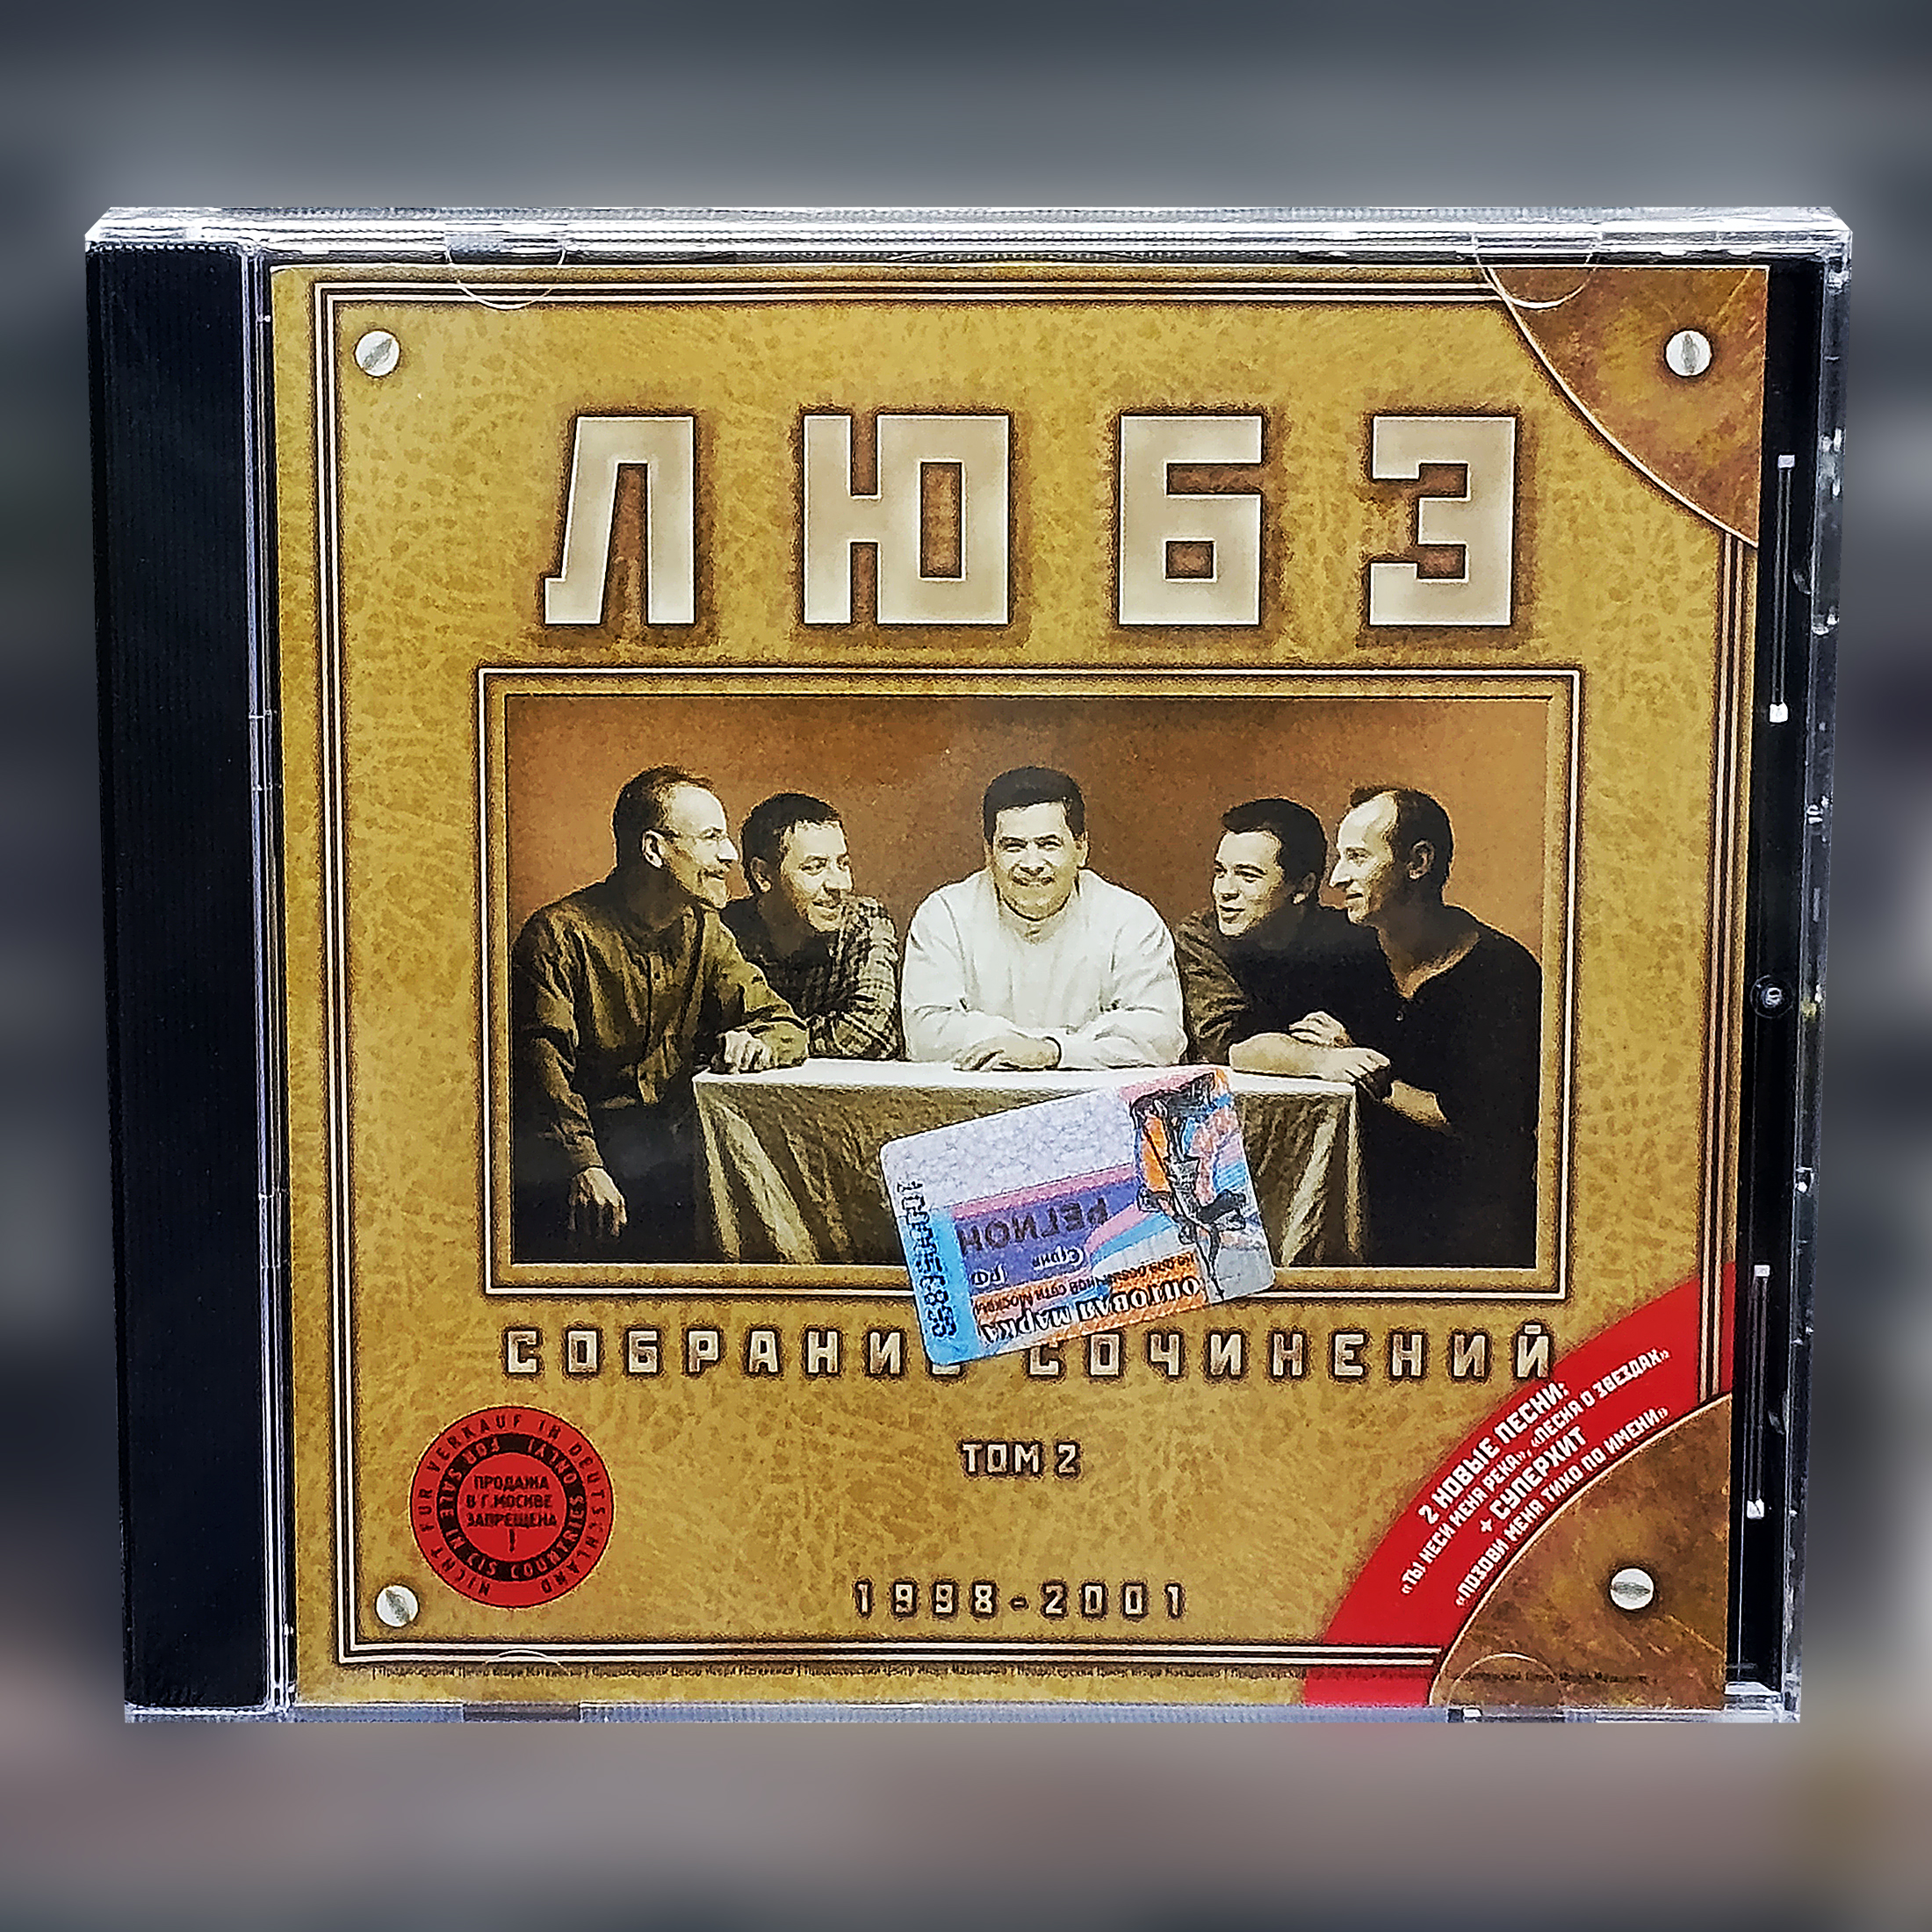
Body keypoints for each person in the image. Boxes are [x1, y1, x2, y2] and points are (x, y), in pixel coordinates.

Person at [511, 767, 807, 1261]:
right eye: (711, 838)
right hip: (576, 1173)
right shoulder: (556, 936)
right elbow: (544, 1079)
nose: (730, 855)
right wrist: (584, 1166)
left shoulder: (706, 931)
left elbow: (784, 1024)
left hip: (674, 1166)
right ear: (654, 849)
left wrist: (757, 1042)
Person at [1330, 786, 1540, 1267]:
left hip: (1470, 1234)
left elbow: (1483, 1123)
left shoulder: (1503, 973)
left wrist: (1365, 1072)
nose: (1338, 878)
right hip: (1362, 1220)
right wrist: (1317, 1058)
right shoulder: (1343, 955)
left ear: (1418, 862)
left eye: (1358, 857)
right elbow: (1247, 1046)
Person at [901, 766, 1185, 1069]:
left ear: (1081, 849)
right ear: (989, 854)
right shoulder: (945, 916)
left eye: (1048, 844)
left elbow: (1162, 1034)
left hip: (1093, 1096)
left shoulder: (1129, 919)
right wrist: (1051, 1046)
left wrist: (1053, 1051)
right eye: (1014, 847)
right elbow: (925, 1035)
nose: (1032, 864)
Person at [1172, 797, 1397, 1095]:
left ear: (1302, 887)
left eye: (1248, 876)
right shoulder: (1200, 938)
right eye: (1220, 872)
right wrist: (1323, 1060)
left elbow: (1385, 1051)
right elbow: (1230, 1047)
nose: (1225, 891)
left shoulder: (1354, 939)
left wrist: (1350, 1046)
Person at [722, 792, 902, 1059]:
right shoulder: (725, 932)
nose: (841, 884)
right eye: (815, 867)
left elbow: (871, 1032)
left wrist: (773, 1042)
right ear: (763, 875)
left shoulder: (865, 921)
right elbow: (700, 1040)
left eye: (843, 864)